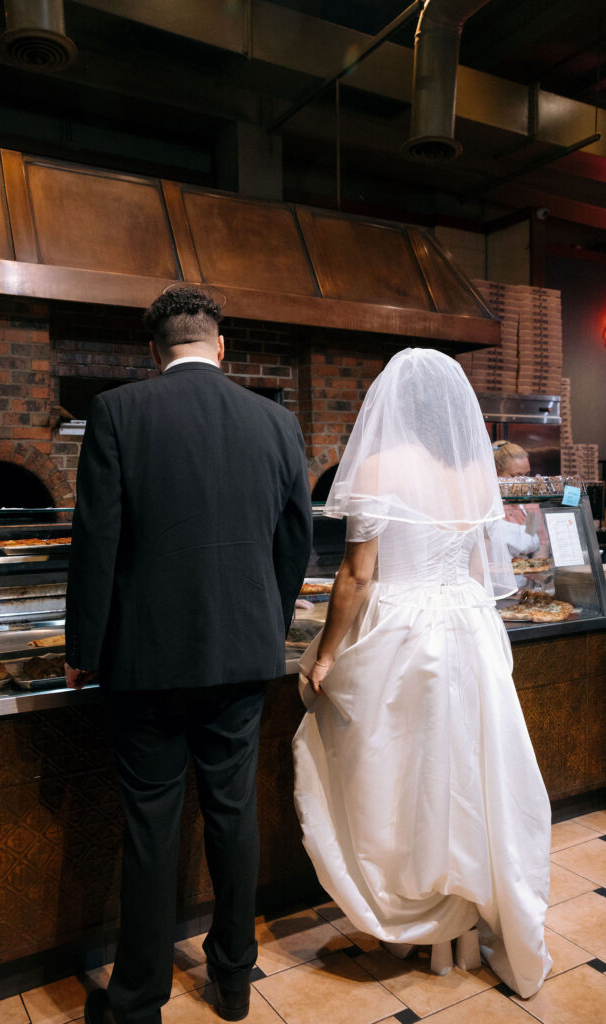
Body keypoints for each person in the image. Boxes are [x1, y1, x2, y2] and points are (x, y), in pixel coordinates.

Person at [65, 286, 312, 1024]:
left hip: (144, 662)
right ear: (219, 345)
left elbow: (96, 544)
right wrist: (263, 622)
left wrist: (83, 647)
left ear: (154, 349)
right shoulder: (276, 423)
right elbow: (294, 541)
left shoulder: (116, 412)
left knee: (151, 824)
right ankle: (233, 978)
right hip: (243, 653)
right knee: (233, 814)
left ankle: (138, 998)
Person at [293, 348, 552, 999]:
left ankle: (418, 904)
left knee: (404, 773)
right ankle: (463, 915)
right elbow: (474, 568)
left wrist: (323, 655)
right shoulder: (471, 474)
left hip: (403, 628)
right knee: (468, 770)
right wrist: (472, 628)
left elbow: (355, 576)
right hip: (465, 623)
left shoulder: (378, 466)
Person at [492, 441, 545, 558]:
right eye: (516, 476)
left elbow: (536, 538)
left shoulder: (530, 504)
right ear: (497, 472)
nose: (524, 481)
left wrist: (535, 570)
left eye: (527, 474)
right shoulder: (487, 502)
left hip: (523, 571)